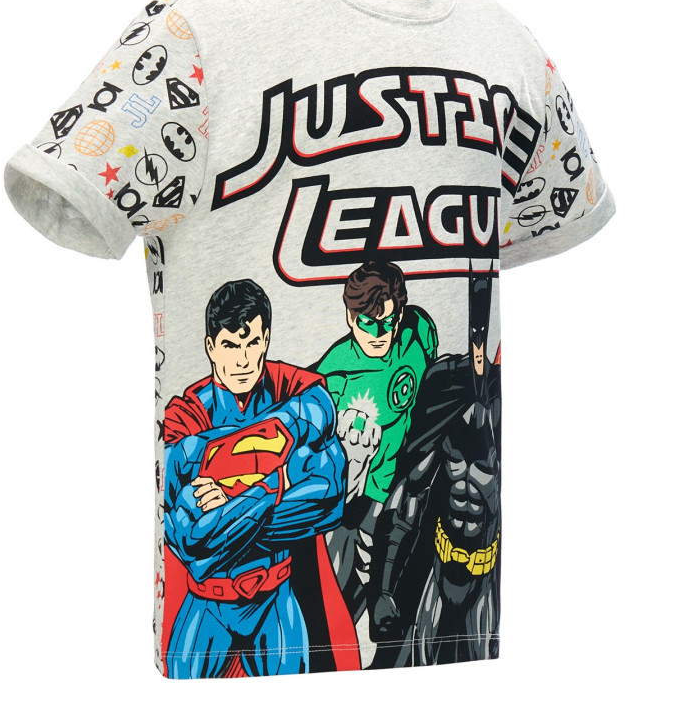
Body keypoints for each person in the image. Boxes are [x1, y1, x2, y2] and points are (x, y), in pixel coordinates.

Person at [162, 278, 360, 678]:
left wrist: (231, 493)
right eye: (230, 346)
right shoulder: (185, 413)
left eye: (252, 343)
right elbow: (191, 535)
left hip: (276, 597)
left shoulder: (293, 387)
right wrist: (281, 480)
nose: (242, 360)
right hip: (208, 602)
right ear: (210, 347)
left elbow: (329, 494)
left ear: (266, 339)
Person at [368, 268, 502, 667]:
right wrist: (384, 590)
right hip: (437, 572)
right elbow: (407, 498)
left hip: (487, 578)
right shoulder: (445, 394)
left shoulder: (502, 413)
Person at [314, 260, 437, 649]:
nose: (380, 334)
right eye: (368, 324)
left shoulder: (417, 333)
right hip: (357, 495)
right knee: (338, 588)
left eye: (388, 322)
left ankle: (382, 599)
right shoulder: (334, 374)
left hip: (405, 478)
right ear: (351, 319)